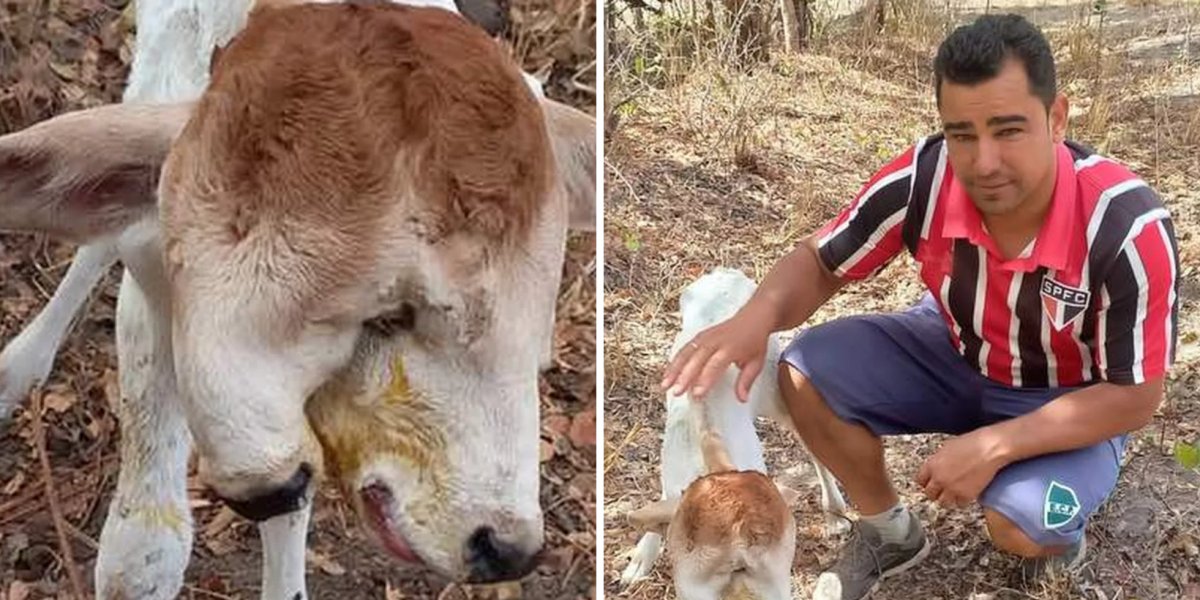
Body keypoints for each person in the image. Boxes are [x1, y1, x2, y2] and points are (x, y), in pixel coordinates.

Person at [660, 13, 1179, 600]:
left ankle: (1055, 540)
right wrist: (755, 317)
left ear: (1056, 118)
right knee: (805, 373)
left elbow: (1137, 395)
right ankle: (890, 532)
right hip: (956, 348)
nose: (983, 162)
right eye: (962, 134)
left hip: (1069, 395)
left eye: (1009, 131)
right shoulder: (923, 180)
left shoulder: (1125, 227)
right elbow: (823, 260)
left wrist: (996, 445)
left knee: (1022, 525)